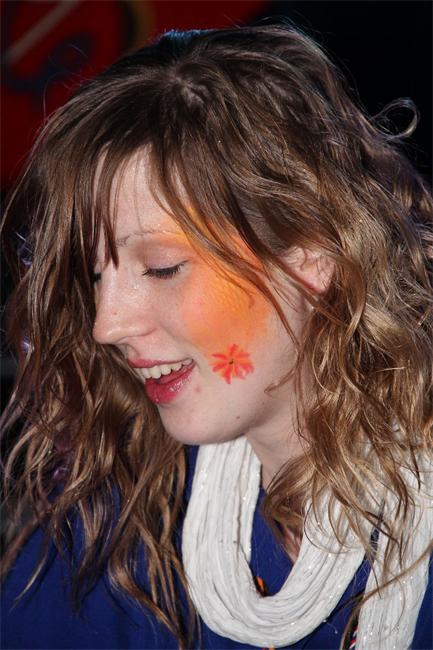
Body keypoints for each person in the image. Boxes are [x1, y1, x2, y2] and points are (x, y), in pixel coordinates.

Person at [1, 24, 432, 650]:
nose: (107, 325)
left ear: (314, 252)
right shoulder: (118, 529)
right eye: (95, 276)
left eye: (161, 268)